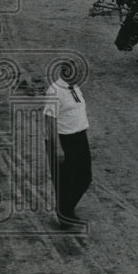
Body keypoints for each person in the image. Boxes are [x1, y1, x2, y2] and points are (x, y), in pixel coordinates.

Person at [42, 72, 93, 230]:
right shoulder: (55, 90)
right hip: (64, 140)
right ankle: (65, 217)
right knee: (65, 181)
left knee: (85, 177)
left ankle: (66, 210)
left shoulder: (74, 87)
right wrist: (57, 148)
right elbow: (50, 120)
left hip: (80, 137)